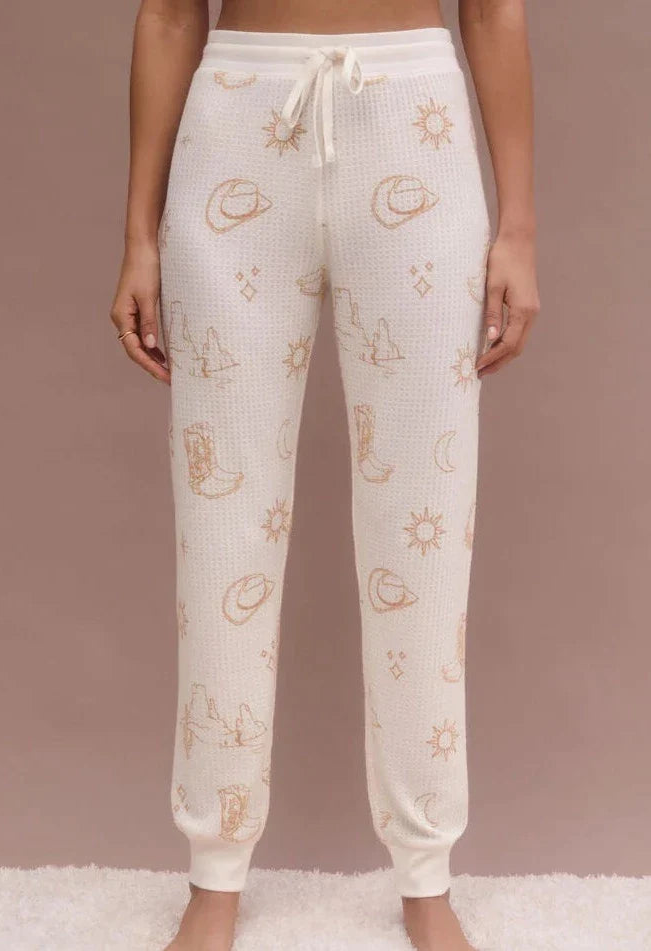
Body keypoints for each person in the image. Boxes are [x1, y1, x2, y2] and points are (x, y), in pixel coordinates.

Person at [110, 0, 539, 947]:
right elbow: (171, 13)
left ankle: (426, 871)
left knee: (425, 519)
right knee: (221, 522)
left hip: (413, 123)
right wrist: (139, 234)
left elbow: (492, 8)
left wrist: (517, 226)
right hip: (236, 121)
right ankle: (214, 870)